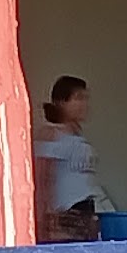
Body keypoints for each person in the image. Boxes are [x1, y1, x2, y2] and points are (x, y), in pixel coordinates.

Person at [36, 75, 102, 237]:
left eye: (85, 98)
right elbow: (43, 176)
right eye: (78, 98)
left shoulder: (77, 134)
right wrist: (43, 216)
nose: (83, 104)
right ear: (61, 102)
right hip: (64, 214)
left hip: (85, 209)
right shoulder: (50, 133)